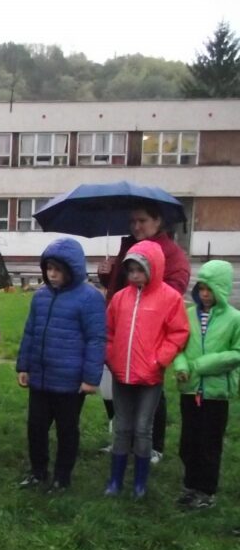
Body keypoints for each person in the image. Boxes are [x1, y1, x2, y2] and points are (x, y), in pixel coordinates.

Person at [97, 202, 191, 463]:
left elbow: (173, 292)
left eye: (142, 221)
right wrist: (107, 275)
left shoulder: (172, 254)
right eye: (133, 222)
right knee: (115, 387)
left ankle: (153, 445)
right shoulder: (128, 246)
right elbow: (120, 284)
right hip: (121, 328)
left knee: (151, 394)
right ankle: (121, 439)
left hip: (150, 336)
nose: (136, 226)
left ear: (158, 221)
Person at [15, 239, 106, 492]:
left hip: (70, 381)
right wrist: (24, 366)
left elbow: (96, 339)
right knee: (36, 427)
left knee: (67, 431)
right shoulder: (41, 296)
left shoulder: (90, 298)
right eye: (48, 268)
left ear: (72, 269)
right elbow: (30, 331)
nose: (52, 274)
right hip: (41, 377)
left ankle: (62, 478)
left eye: (58, 269)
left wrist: (90, 378)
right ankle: (38, 472)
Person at [104, 241, 189, 498]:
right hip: (121, 375)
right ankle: (115, 481)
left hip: (150, 378)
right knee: (122, 428)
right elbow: (108, 331)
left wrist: (159, 360)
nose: (134, 275)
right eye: (130, 270)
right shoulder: (120, 298)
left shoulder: (169, 298)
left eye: (139, 270)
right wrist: (111, 356)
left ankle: (140, 484)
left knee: (142, 429)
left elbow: (178, 332)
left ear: (153, 268)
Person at [172, 260, 240, 510]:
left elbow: (236, 354)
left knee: (209, 444)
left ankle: (207, 490)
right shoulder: (188, 315)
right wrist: (181, 367)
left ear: (220, 289)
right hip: (190, 390)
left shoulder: (235, 319)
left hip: (215, 394)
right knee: (188, 441)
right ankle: (190, 486)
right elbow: (177, 345)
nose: (204, 294)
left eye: (210, 289)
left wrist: (201, 365)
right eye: (201, 288)